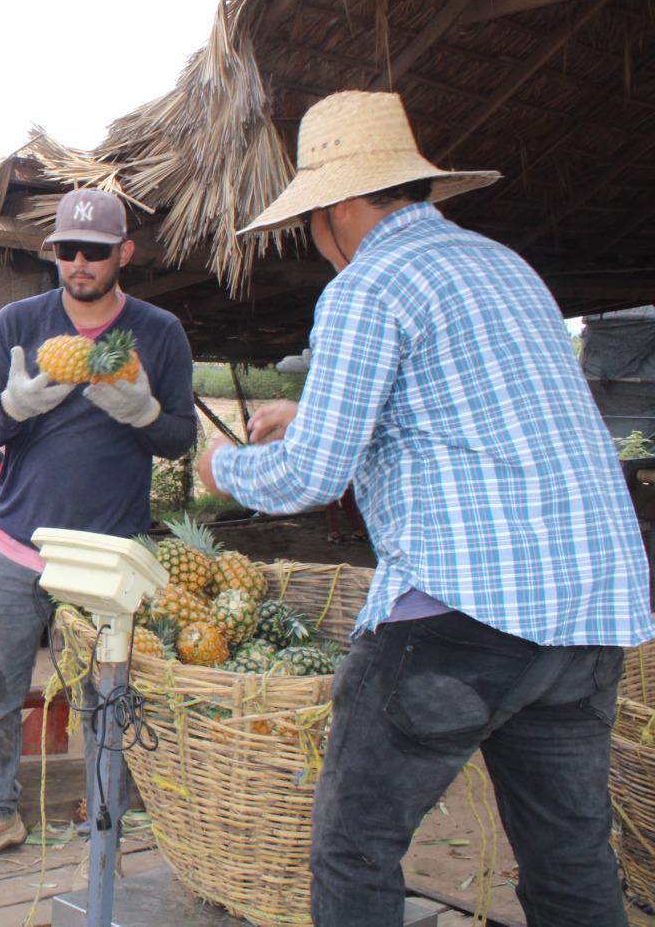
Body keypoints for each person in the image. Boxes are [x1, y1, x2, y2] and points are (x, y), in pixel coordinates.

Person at [196, 90, 654, 926]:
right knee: (570, 858)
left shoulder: (369, 284)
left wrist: (224, 467)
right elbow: (480, 411)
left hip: (463, 618)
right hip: (588, 612)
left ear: (331, 210)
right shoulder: (503, 265)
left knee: (355, 847)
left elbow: (308, 479)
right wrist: (311, 413)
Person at [0, 188, 197, 864]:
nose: (79, 264)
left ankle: (108, 815)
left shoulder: (158, 333)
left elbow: (180, 438)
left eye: (95, 252)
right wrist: (15, 405)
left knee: (108, 691)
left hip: (107, 554)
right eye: (67, 251)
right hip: (20, 544)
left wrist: (142, 414)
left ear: (123, 254)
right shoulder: (16, 324)